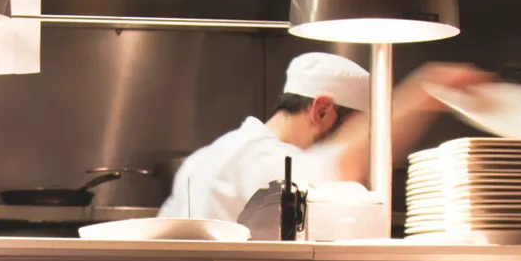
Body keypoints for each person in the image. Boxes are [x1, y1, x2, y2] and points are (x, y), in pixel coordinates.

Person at [161, 52, 491, 223]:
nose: (360, 141)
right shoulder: (259, 158)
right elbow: (341, 164)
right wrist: (425, 90)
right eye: (358, 129)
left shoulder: (208, 155)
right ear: (321, 110)